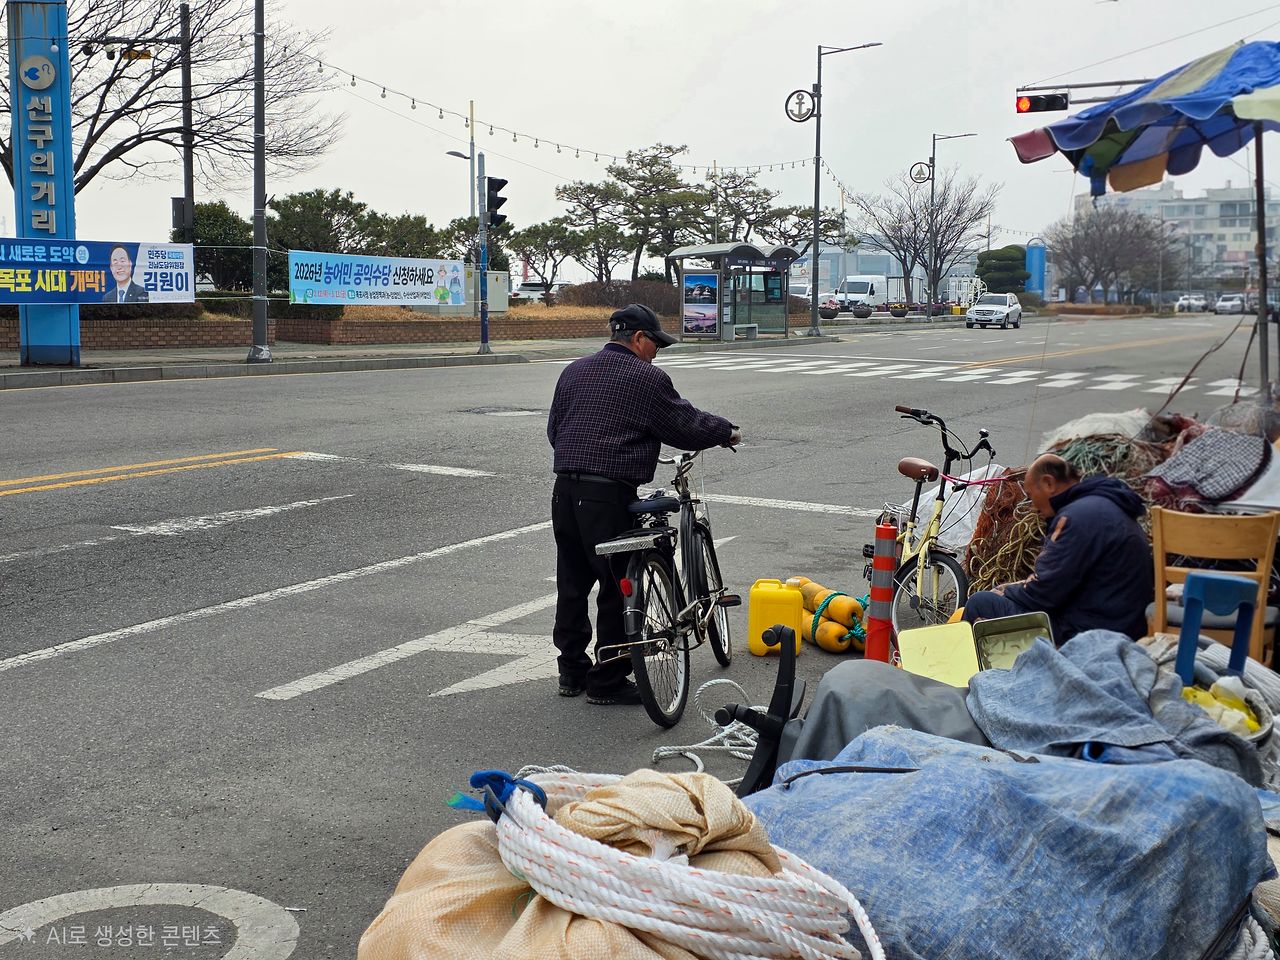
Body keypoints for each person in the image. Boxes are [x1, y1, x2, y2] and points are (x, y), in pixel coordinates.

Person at [546, 303, 740, 706]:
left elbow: (555, 430)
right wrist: (724, 431)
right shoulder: (645, 377)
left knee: (573, 580)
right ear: (637, 338)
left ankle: (571, 672)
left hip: (565, 490)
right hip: (607, 495)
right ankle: (609, 680)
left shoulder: (574, 370)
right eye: (656, 344)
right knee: (619, 584)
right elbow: (683, 425)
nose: (658, 352)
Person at [962, 454, 1153, 642]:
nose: (1033, 506)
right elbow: (1060, 581)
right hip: (1118, 620)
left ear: (1048, 483)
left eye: (1030, 495)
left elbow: (1044, 594)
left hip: (1092, 631)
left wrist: (1005, 591)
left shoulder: (1076, 518)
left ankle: (965, 672)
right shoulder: (1103, 506)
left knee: (981, 603)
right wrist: (1013, 588)